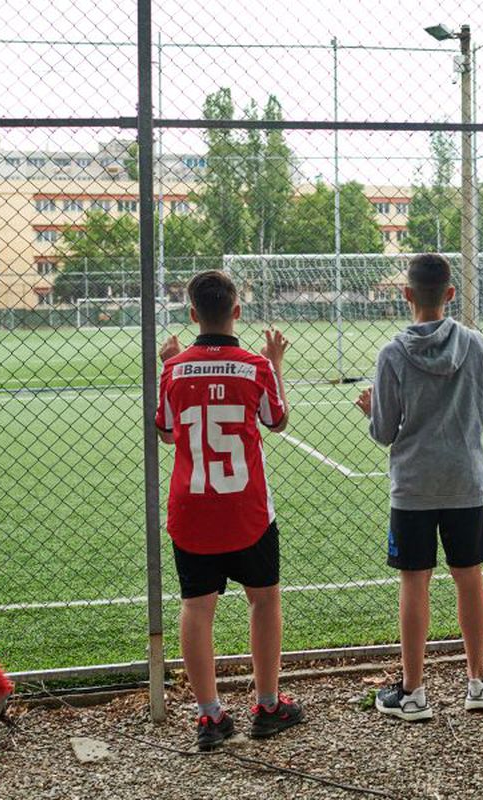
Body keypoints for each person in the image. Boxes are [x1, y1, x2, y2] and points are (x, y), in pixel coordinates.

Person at [156, 270, 304, 751]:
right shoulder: (254, 365)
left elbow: (166, 431)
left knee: (196, 608)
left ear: (193, 314)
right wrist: (276, 362)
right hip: (248, 512)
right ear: (236, 312)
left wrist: (171, 362)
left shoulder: (174, 370)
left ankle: (210, 717)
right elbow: (277, 421)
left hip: (192, 510)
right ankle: (265, 704)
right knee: (263, 600)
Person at [356, 253, 483, 721]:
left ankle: (414, 691)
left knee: (414, 582)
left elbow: (384, 431)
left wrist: (371, 410)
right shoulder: (476, 345)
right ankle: (478, 681)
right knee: (469, 576)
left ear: (406, 295)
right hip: (464, 479)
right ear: (450, 294)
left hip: (414, 485)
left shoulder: (392, 353)